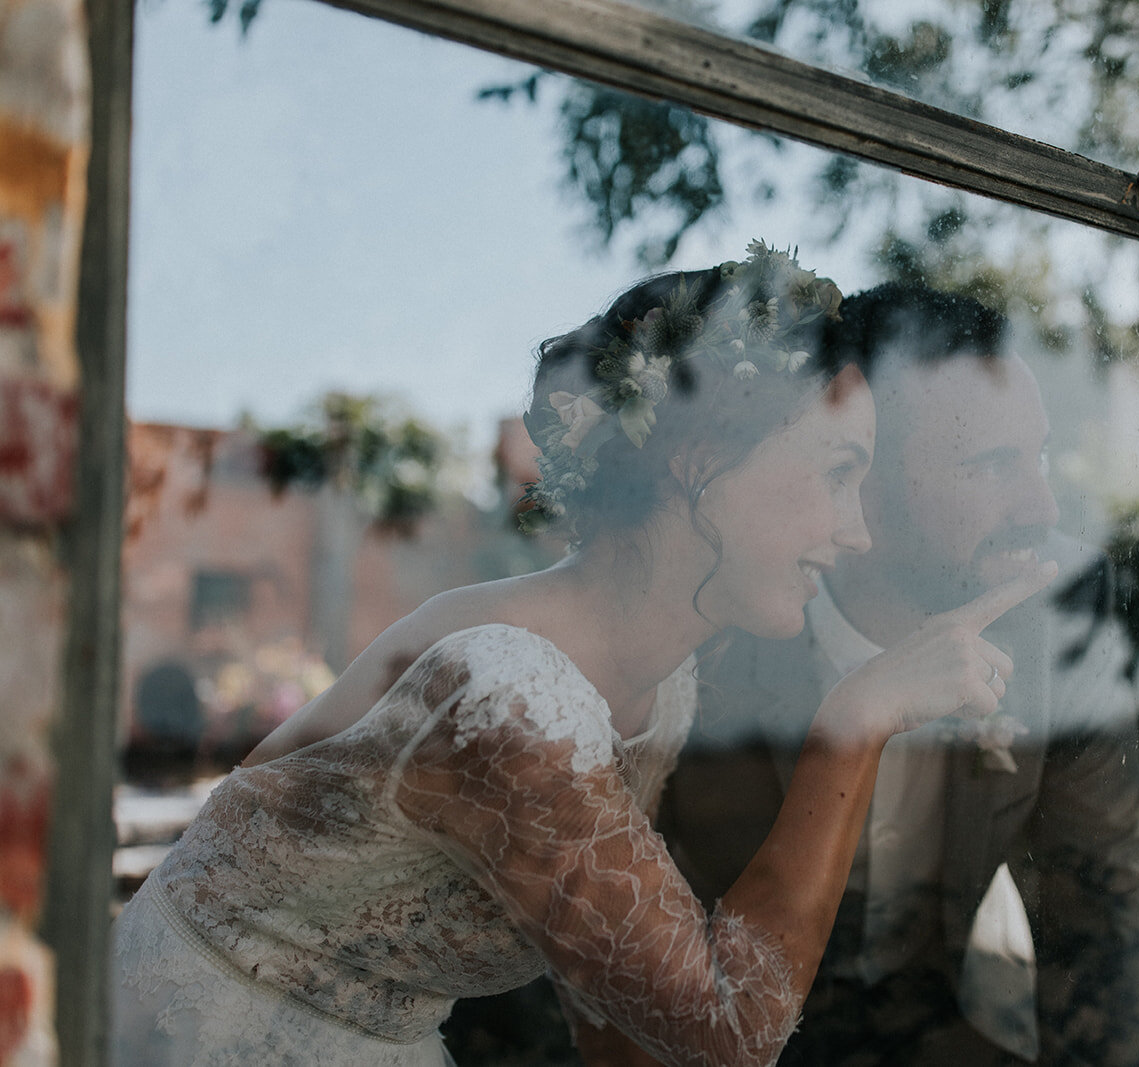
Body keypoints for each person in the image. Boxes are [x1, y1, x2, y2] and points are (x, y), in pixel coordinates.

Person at [109, 247, 1058, 1067]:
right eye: (838, 473)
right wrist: (856, 723)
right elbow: (730, 1030)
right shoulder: (508, 691)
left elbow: (614, 987)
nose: (857, 532)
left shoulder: (661, 678)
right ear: (699, 462)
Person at [660, 282, 1139, 1066]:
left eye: (1040, 456)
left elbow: (1102, 910)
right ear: (859, 477)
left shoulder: (1061, 593)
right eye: (993, 465)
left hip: (961, 1021)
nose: (1041, 505)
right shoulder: (713, 618)